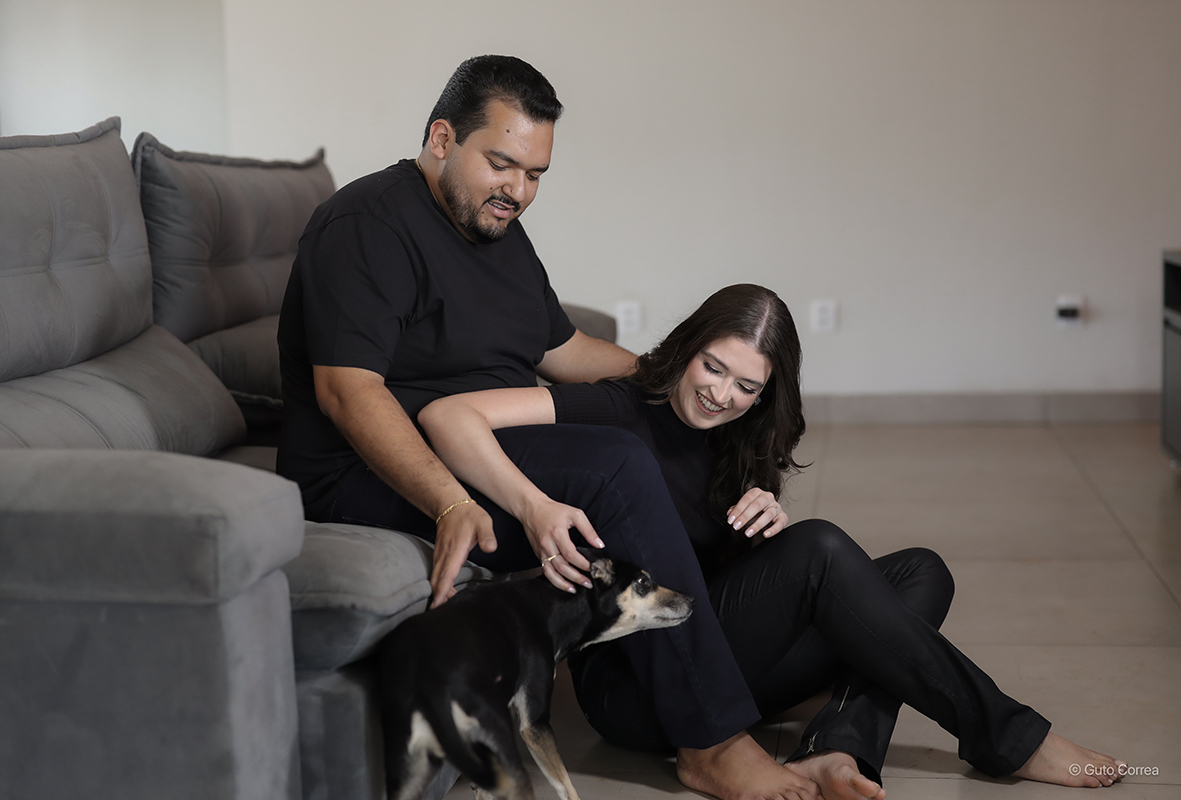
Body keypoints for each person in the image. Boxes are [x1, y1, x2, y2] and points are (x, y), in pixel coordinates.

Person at [277, 57, 819, 800]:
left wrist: (679, 387)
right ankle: (712, 739)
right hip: (367, 474)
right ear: (442, 138)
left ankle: (723, 645)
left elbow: (564, 350)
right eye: (501, 164)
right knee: (617, 463)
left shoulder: (495, 228)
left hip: (479, 442)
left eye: (535, 174)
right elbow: (347, 393)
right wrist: (448, 501)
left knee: (654, 430)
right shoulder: (368, 226)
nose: (519, 191)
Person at [417, 284, 1128, 799]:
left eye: (746, 386)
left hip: (718, 656)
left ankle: (841, 750)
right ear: (688, 348)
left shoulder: (738, 437)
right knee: (821, 550)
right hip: (636, 688)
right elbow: (450, 415)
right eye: (712, 367)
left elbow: (713, 572)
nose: (721, 395)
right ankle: (1007, 735)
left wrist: (761, 529)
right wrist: (534, 505)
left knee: (922, 573)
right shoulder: (619, 406)